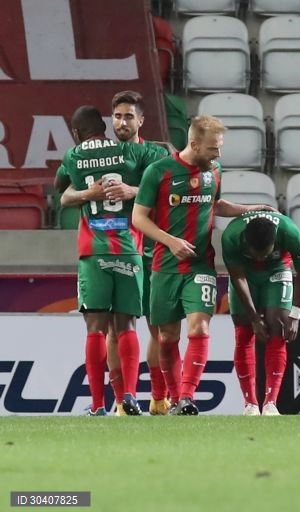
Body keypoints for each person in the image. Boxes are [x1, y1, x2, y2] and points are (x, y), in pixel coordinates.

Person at [132, 115, 266, 416]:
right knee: (167, 336)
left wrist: (252, 208)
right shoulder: (159, 172)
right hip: (165, 266)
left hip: (200, 265)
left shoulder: (214, 171)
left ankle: (187, 397)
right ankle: (176, 397)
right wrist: (170, 241)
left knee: (200, 327)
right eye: (213, 149)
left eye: (219, 148)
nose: (218, 155)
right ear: (193, 144)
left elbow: (215, 205)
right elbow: (138, 218)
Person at [64, 91, 173, 416]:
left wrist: (133, 190)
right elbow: (66, 192)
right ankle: (125, 401)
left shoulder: (151, 152)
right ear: (109, 121)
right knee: (119, 328)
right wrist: (88, 192)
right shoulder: (122, 153)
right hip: (131, 248)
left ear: (141, 120)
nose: (122, 122)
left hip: (154, 250)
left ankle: (156, 396)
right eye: (117, 116)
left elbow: (172, 189)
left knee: (157, 329)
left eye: (129, 116)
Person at [221, 212, 300, 416]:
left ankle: (271, 403)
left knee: (278, 326)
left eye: (265, 253)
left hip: (278, 269)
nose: (261, 258)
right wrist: (254, 318)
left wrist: (296, 314)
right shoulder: (231, 236)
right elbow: (238, 278)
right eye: (256, 253)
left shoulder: (291, 233)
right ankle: (250, 404)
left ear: (275, 241)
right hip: (245, 275)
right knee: (243, 331)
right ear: (246, 241)